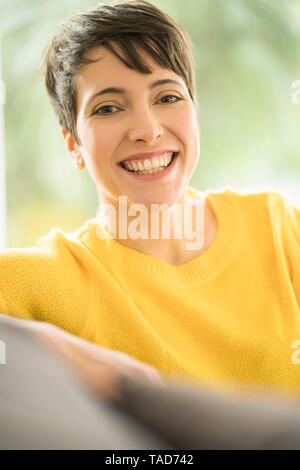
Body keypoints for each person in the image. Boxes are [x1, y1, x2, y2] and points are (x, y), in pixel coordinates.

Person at [1, 0, 300, 405]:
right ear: (74, 145)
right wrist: (45, 341)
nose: (147, 129)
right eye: (108, 108)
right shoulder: (51, 280)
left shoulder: (278, 226)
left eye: (167, 97)